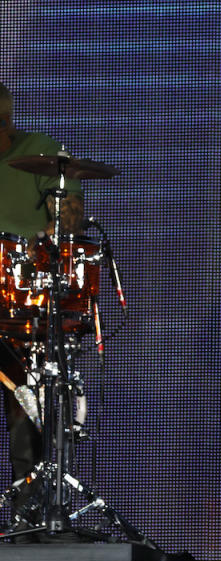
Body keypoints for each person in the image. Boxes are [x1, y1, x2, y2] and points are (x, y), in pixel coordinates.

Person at [0, 81, 85, 487]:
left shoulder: (39, 151)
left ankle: (28, 508)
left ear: (7, 124)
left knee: (24, 401)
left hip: (19, 300)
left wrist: (46, 237)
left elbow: (70, 218)